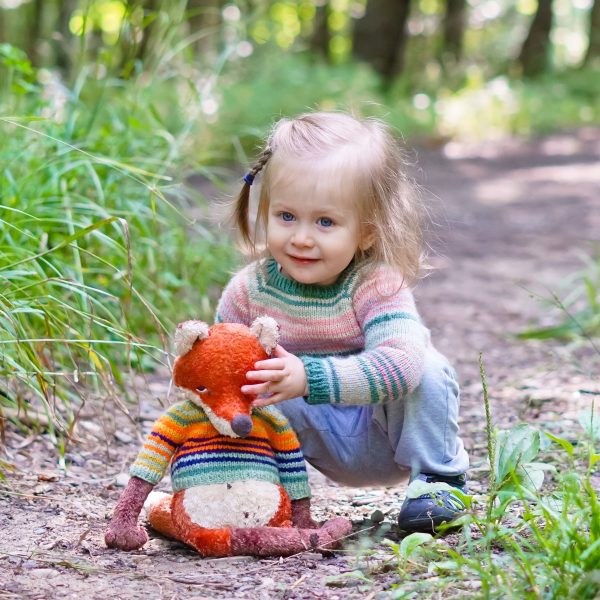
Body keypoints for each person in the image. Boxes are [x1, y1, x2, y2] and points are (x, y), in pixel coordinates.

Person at [215, 111, 469, 533]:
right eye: (286, 216)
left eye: (326, 222)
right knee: (247, 382)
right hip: (308, 435)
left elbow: (400, 366)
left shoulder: (376, 284)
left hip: (382, 431)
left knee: (427, 367)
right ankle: (252, 489)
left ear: (366, 232)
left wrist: (308, 376)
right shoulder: (247, 291)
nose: (301, 237)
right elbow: (215, 375)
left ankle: (437, 480)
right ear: (266, 209)